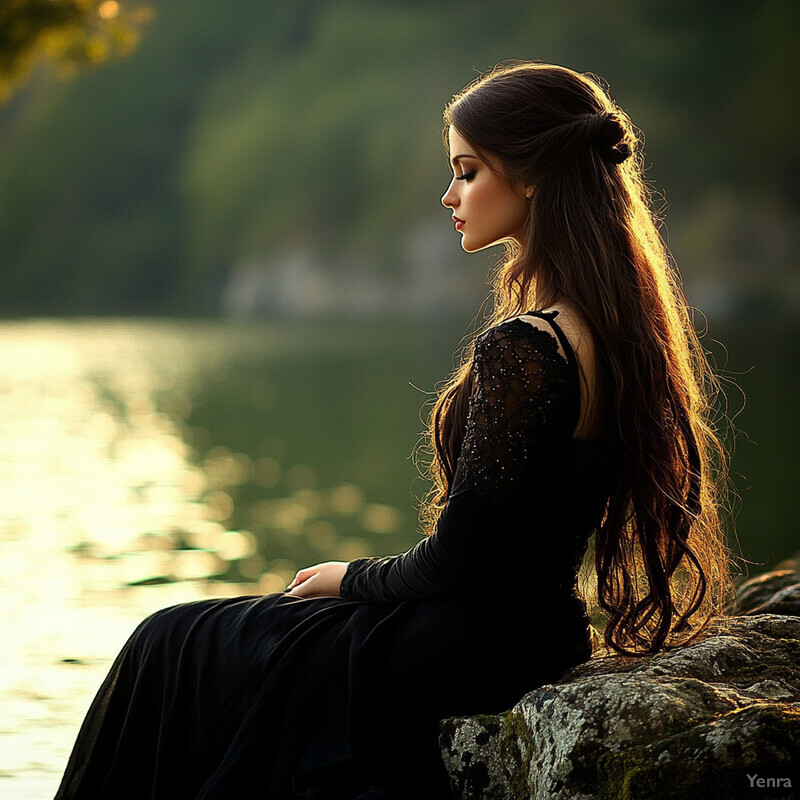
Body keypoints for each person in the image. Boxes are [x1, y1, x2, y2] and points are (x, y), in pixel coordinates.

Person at [55, 61, 731, 799]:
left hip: (465, 643)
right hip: (538, 634)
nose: (450, 195)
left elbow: (465, 557)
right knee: (192, 641)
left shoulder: (528, 346)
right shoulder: (614, 332)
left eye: (467, 172)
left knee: (169, 643)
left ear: (532, 176)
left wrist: (352, 579)